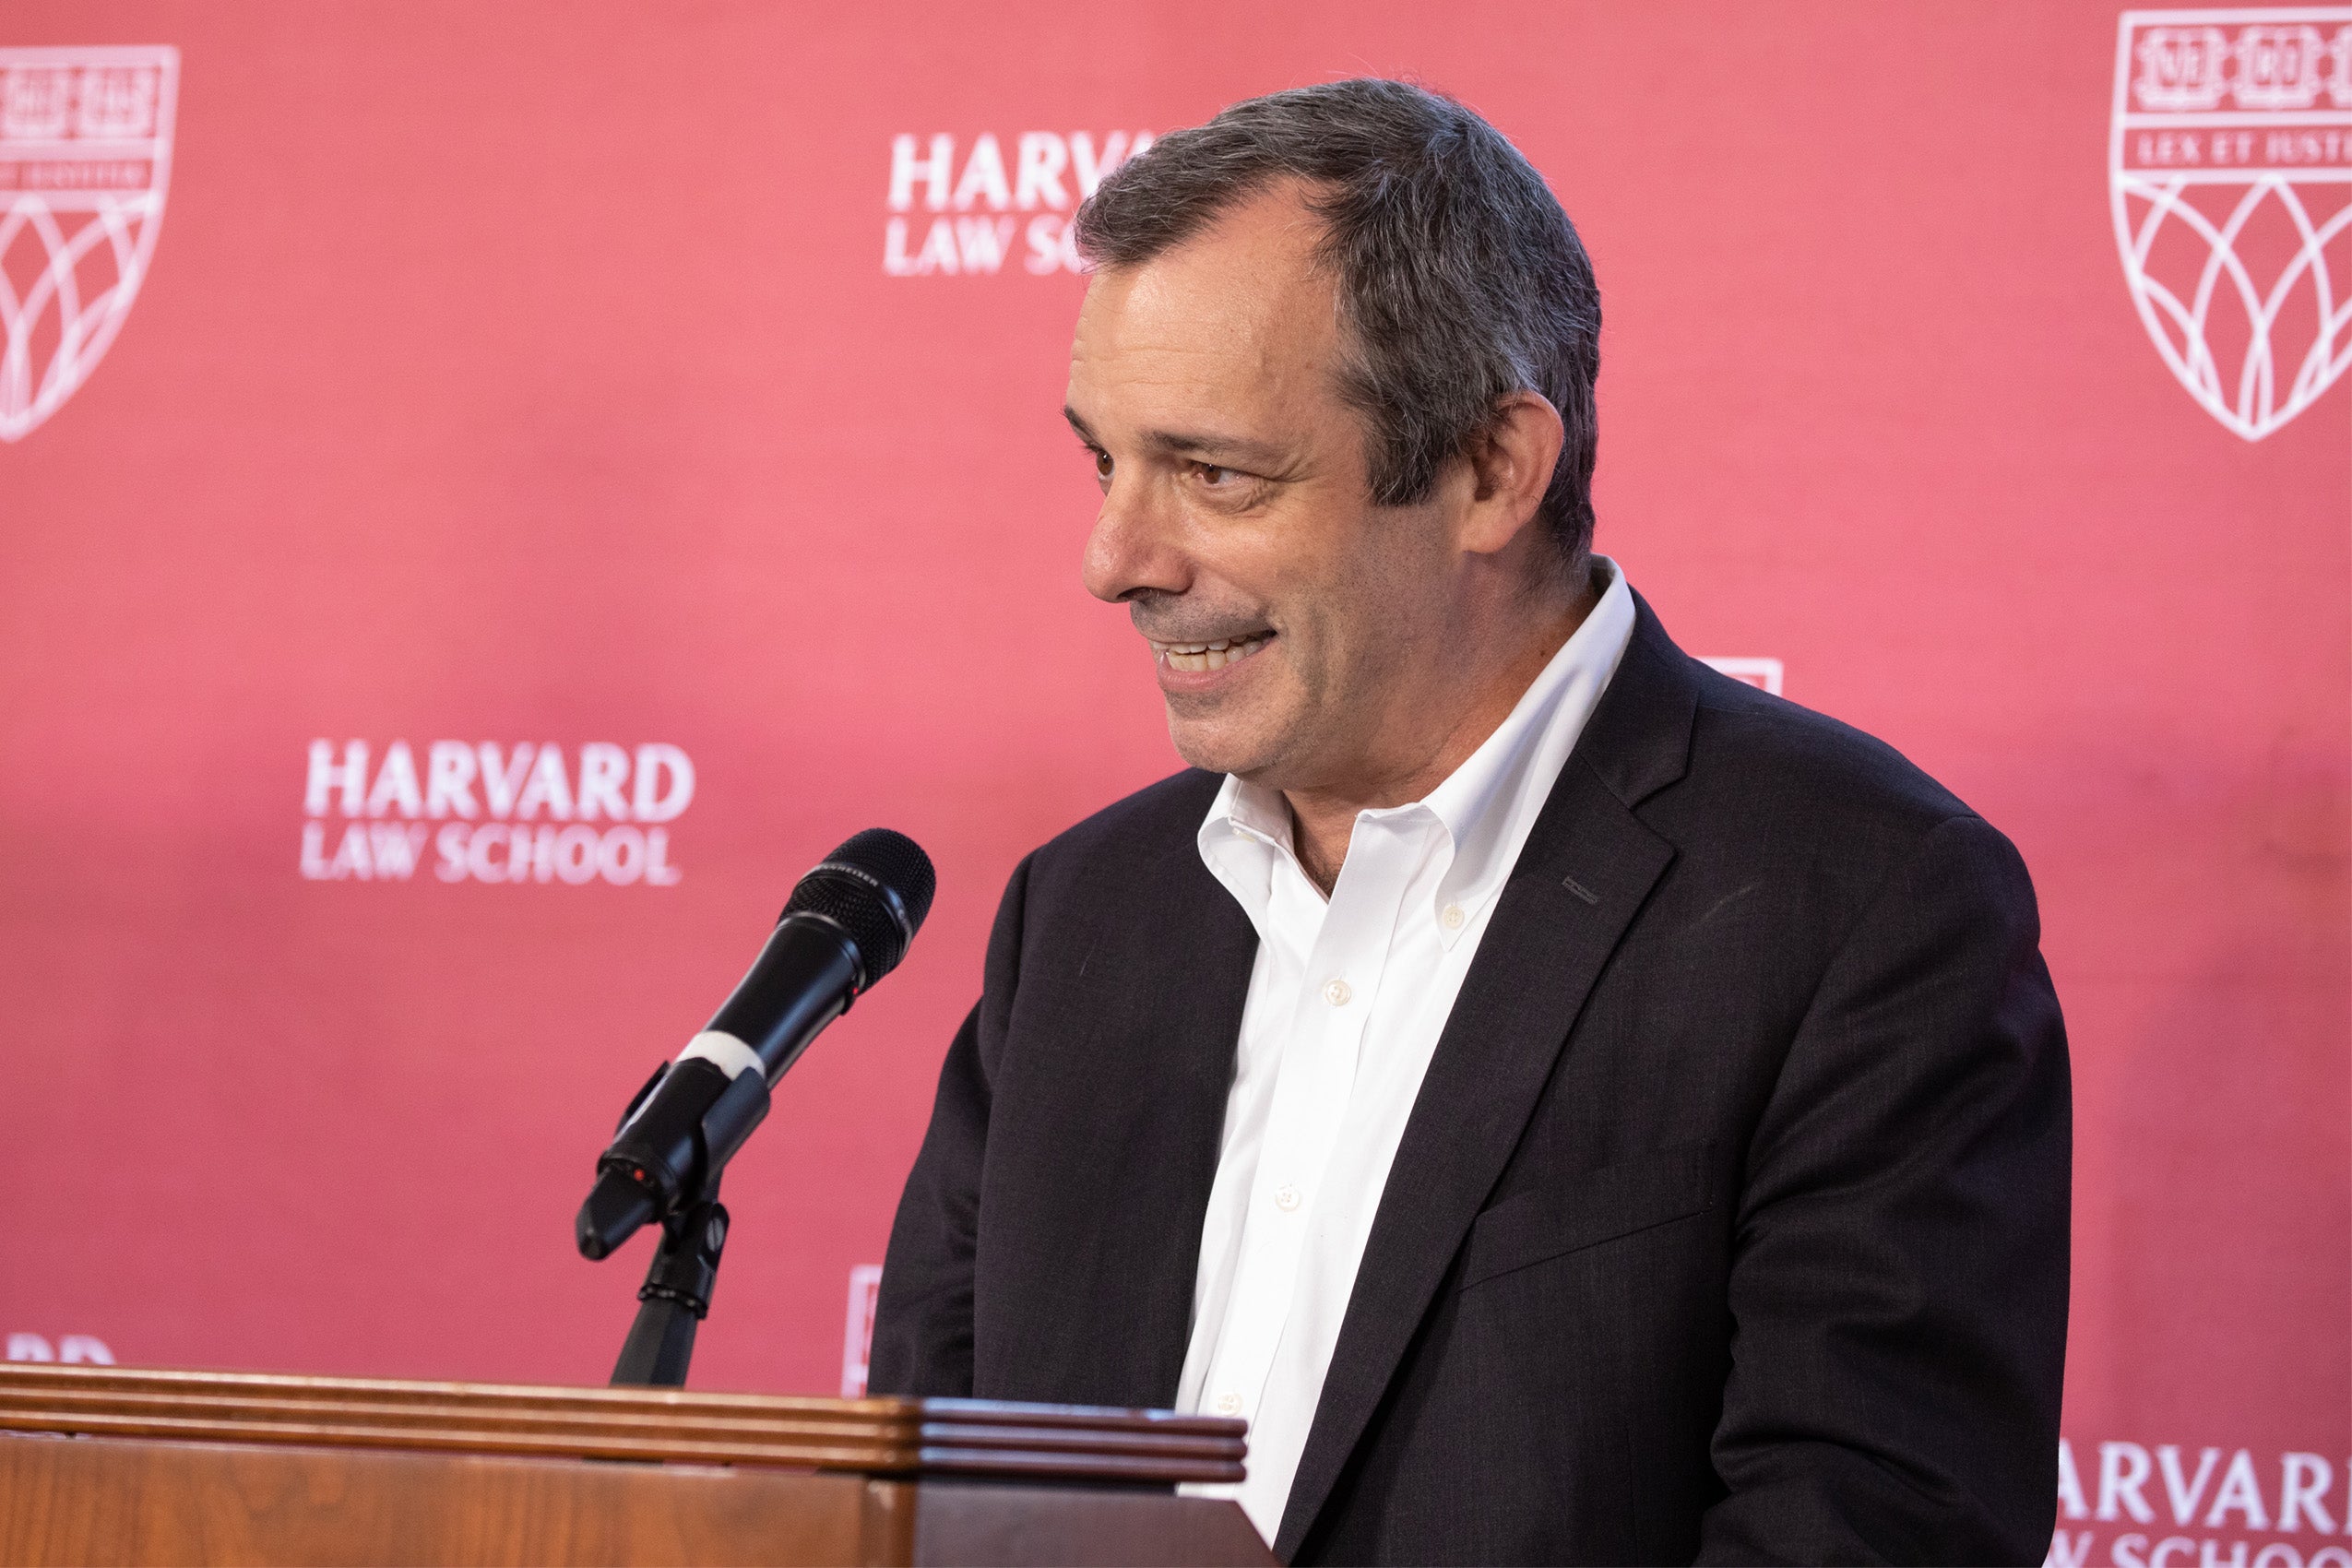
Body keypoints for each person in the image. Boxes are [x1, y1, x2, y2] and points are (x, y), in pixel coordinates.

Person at [869, 78, 2069, 1567]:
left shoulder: (1861, 907)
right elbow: (926, 1497)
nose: (1115, 559)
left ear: (1492, 470)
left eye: (1215, 474)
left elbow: (1867, 1535)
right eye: (1104, 463)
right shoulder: (1084, 911)